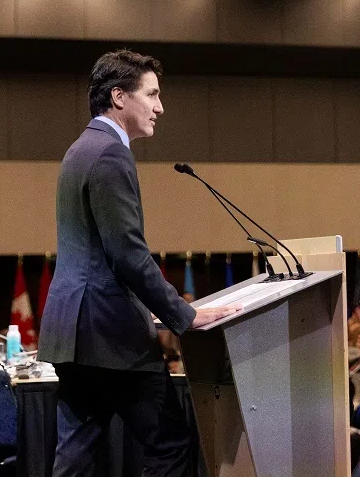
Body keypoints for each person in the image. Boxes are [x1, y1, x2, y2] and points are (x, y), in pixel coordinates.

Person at [37, 50, 240, 477]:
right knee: (172, 441)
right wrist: (185, 314)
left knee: (76, 453)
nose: (159, 107)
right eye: (151, 94)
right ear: (119, 97)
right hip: (111, 336)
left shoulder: (79, 149)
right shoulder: (110, 153)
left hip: (73, 331)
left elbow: (96, 253)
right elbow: (127, 252)